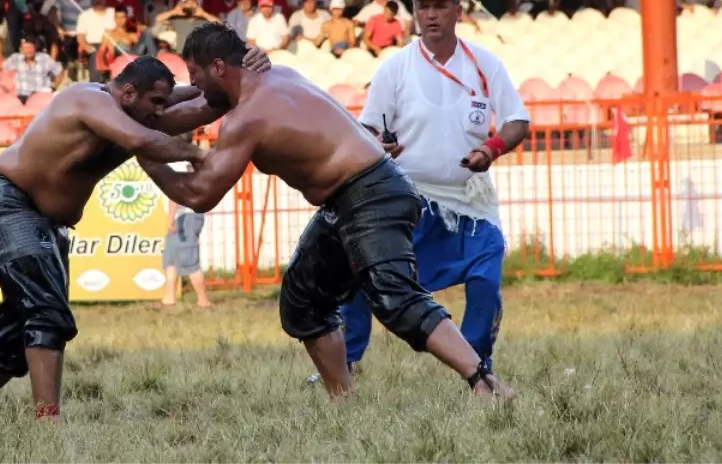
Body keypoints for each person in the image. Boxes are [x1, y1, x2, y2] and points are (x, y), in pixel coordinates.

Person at [135, 23, 514, 400]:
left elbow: (200, 195)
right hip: (356, 194)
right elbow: (190, 108)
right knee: (304, 299)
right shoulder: (277, 75)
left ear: (219, 67)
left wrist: (145, 156)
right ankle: (343, 400)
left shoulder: (246, 118)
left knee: (393, 296)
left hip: (371, 194)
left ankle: (484, 382)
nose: (193, 83)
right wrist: (129, 114)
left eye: (195, 73)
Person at [0, 50, 272, 421]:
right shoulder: (87, 99)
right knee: (46, 314)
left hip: (46, 222)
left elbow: (197, 103)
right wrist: (200, 156)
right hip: (12, 206)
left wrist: (241, 76)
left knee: (16, 332)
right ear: (129, 92)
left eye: (162, 104)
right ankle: (47, 423)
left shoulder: (136, 111)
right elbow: (141, 141)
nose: (159, 112)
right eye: (155, 103)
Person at [324, 0, 530, 382]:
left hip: (471, 197)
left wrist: (490, 149)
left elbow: (517, 120)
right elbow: (368, 129)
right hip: (408, 198)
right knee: (359, 271)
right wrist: (377, 146)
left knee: (486, 281)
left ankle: (478, 369)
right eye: (423, 6)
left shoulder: (486, 64)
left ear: (458, 10)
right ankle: (343, 363)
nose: (431, 14)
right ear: (415, 11)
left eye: (440, 5)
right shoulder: (394, 68)